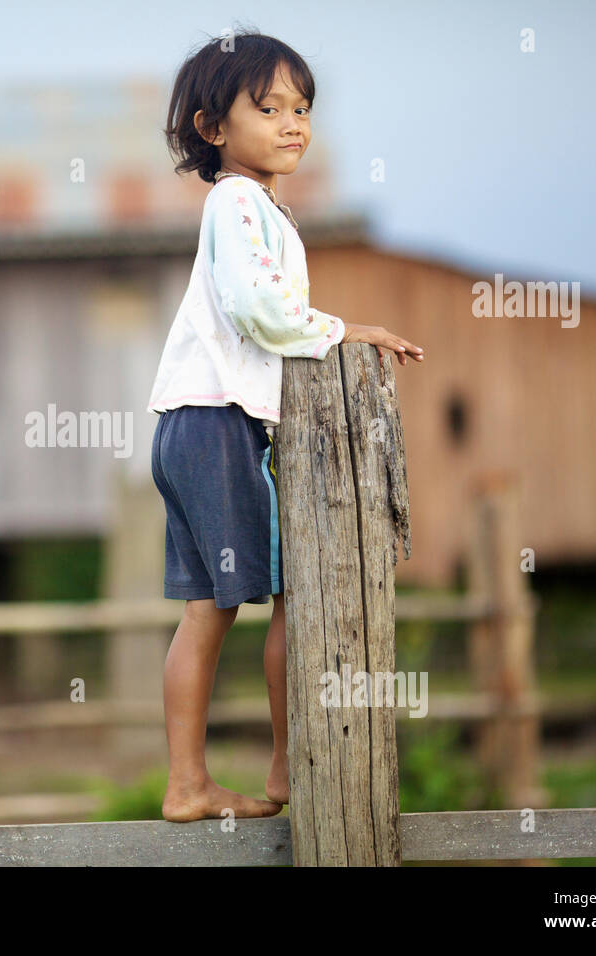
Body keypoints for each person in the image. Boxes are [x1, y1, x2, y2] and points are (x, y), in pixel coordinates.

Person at [147, 30, 425, 822]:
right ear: (213, 128)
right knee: (296, 594)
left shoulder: (253, 206)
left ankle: (189, 783)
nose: (292, 123)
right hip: (217, 423)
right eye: (268, 108)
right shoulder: (237, 203)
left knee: (208, 610)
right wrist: (346, 331)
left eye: (301, 108)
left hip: (189, 424)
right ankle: (290, 771)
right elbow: (262, 311)